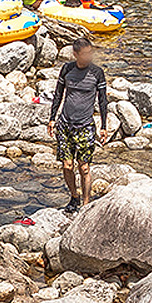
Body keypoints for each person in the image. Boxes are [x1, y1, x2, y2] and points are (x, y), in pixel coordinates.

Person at [47, 37, 108, 212]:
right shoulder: (67, 69)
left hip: (85, 125)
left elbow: (103, 100)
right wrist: (52, 118)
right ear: (75, 54)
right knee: (67, 165)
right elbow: (58, 95)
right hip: (65, 124)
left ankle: (86, 204)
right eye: (85, 54)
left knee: (84, 167)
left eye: (90, 53)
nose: (89, 56)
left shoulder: (97, 73)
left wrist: (104, 126)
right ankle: (74, 197)